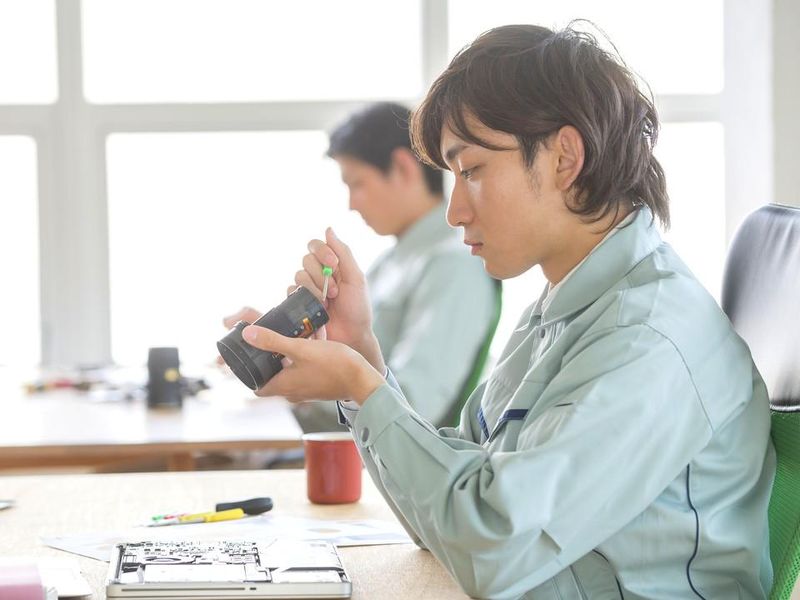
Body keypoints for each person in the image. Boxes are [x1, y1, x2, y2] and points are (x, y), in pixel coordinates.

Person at [237, 24, 775, 599]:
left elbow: (491, 549)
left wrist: (362, 387)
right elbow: (446, 518)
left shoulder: (645, 337)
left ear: (565, 158)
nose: (454, 212)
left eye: (471, 170)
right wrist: (360, 359)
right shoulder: (563, 309)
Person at [225, 102, 497, 431]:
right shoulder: (394, 261)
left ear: (403, 168)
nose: (352, 204)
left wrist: (313, 386)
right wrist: (282, 348)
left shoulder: (453, 267)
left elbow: (415, 404)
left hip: (370, 450)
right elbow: (353, 362)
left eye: (356, 184)